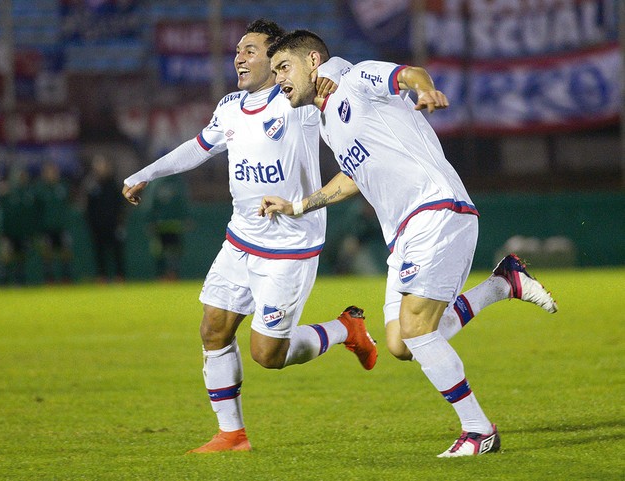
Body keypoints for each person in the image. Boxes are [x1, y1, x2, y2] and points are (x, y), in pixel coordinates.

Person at [261, 30, 558, 457]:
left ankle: (478, 431)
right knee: (402, 342)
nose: (278, 80)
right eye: (273, 73)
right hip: (401, 232)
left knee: (418, 329)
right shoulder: (327, 122)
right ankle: (503, 283)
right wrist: (300, 205)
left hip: (435, 207)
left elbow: (409, 74)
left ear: (312, 61)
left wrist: (426, 90)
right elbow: (352, 176)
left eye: (283, 68)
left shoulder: (357, 77)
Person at [121, 19, 378, 453]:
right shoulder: (230, 106)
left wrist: (333, 70)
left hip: (291, 244)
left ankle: (345, 329)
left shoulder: (297, 98)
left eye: (251, 50)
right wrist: (145, 173)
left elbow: (336, 66)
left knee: (267, 354)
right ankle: (232, 435)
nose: (239, 57)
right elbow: (198, 147)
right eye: (238, 50)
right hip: (240, 238)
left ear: (279, 59)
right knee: (213, 330)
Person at [82, 155, 126, 282]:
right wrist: (91, 223)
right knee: (99, 252)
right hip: (97, 225)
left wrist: (120, 221)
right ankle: (102, 277)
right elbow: (88, 207)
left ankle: (120, 277)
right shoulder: (91, 185)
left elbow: (120, 205)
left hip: (113, 224)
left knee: (117, 252)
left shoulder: (114, 184)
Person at [35, 161, 73, 284]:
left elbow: (70, 204)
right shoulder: (41, 190)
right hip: (47, 227)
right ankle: (49, 279)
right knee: (47, 254)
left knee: (65, 253)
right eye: (49, 172)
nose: (52, 174)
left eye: (54, 172)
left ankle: (66, 278)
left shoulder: (63, 187)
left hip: (62, 226)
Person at [0, 167, 37, 285]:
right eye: (20, 176)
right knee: (7, 259)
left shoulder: (30, 193)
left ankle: (19, 282)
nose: (22, 178)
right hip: (9, 232)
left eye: (24, 176)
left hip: (24, 232)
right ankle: (3, 283)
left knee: (22, 258)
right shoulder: (8, 192)